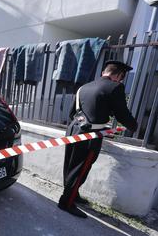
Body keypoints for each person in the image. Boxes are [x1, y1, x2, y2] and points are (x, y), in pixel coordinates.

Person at [58, 60, 138, 218]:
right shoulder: (115, 87)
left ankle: (73, 193)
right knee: (81, 168)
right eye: (121, 77)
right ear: (119, 76)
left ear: (104, 72)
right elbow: (121, 113)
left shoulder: (84, 86)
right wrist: (133, 126)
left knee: (71, 165)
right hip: (89, 136)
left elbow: (71, 113)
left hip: (74, 130)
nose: (121, 80)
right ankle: (66, 202)